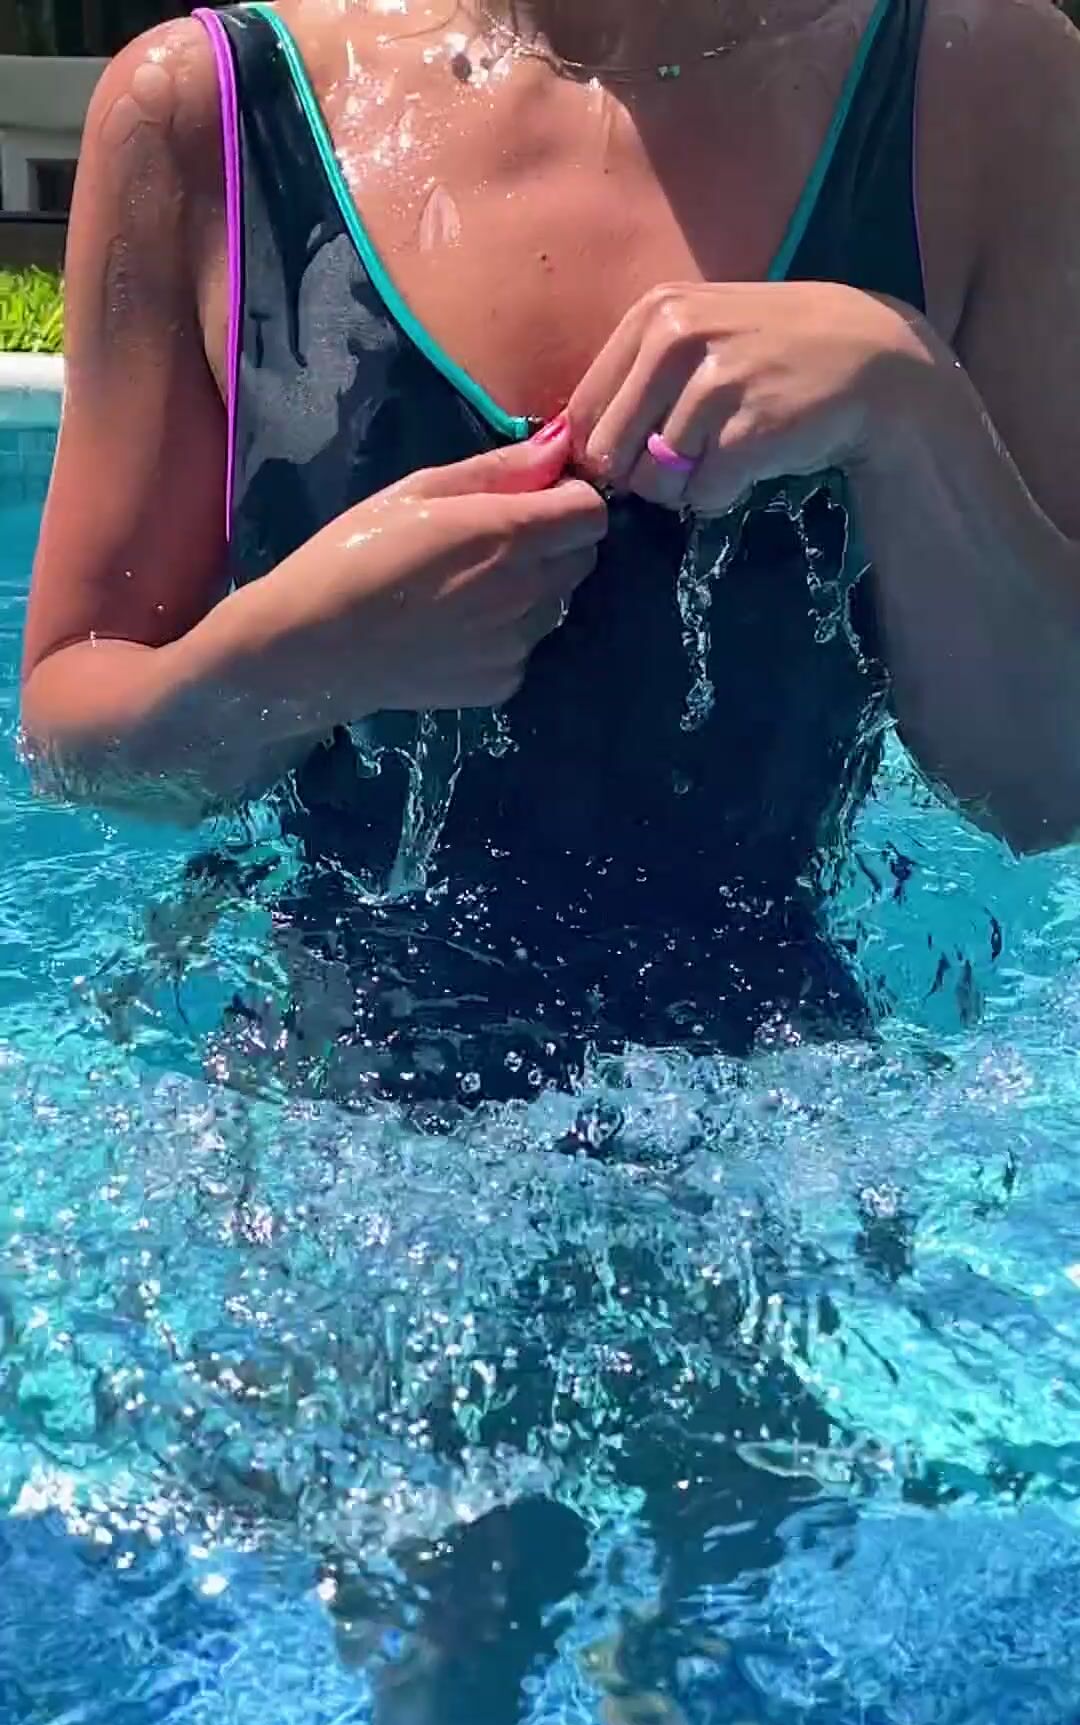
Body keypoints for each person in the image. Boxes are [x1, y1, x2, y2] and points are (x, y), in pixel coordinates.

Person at [22, 0, 1080, 1105]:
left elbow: (1045, 789)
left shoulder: (983, 87)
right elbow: (72, 739)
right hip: (323, 1120)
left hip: (796, 1132)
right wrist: (293, 659)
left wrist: (908, 403)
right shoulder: (210, 112)